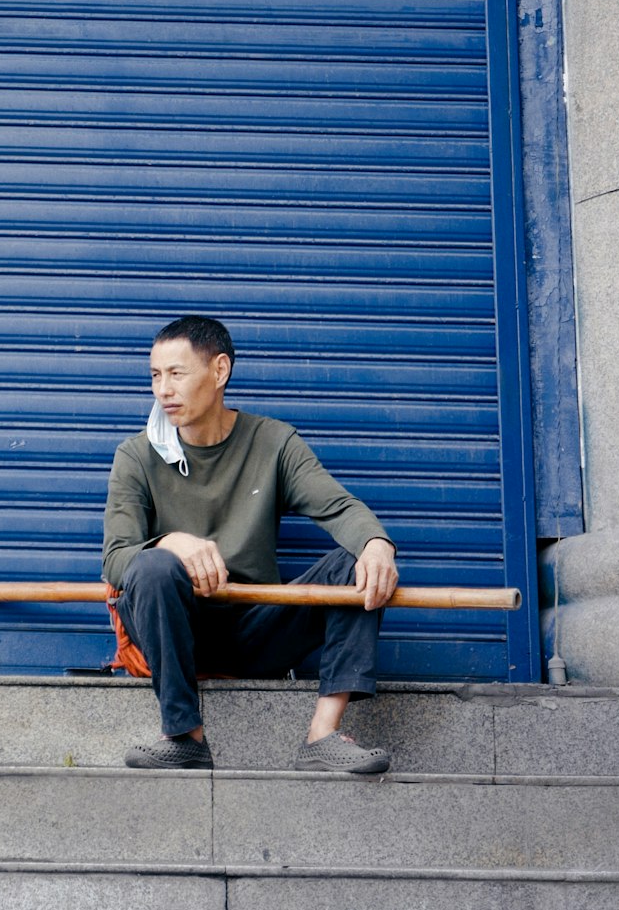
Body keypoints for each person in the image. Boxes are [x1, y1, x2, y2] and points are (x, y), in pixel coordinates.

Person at [102, 315, 399, 773]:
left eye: (176, 374)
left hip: (257, 630)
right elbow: (116, 559)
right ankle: (184, 736)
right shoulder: (137, 456)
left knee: (353, 563)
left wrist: (377, 545)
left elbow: (340, 509)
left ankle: (323, 736)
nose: (163, 390)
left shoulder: (273, 442)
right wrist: (172, 542)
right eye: (155, 376)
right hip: (174, 630)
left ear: (219, 371)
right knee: (150, 566)